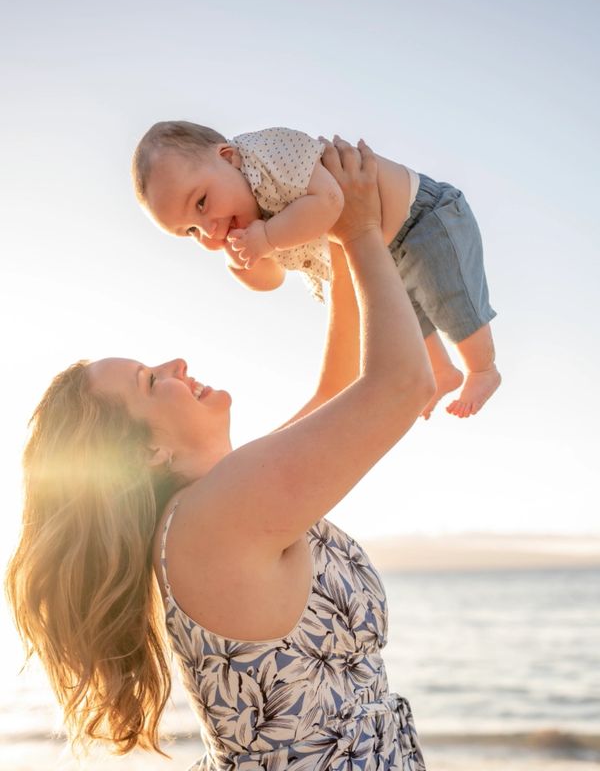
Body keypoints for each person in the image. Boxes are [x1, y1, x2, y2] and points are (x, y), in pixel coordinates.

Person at [6, 138, 434, 770]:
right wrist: (365, 231)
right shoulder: (215, 517)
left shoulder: (218, 502)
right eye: (152, 381)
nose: (176, 362)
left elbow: (337, 388)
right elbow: (402, 386)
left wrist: (339, 231)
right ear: (148, 450)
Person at [132, 122, 501, 420]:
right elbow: (273, 278)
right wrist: (243, 262)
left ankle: (483, 368)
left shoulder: (268, 155)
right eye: (191, 232)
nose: (209, 229)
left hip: (420, 217)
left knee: (447, 294)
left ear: (228, 158)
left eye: (201, 202)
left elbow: (331, 201)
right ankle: (441, 370)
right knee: (407, 314)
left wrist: (266, 240)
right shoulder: (254, 218)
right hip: (387, 250)